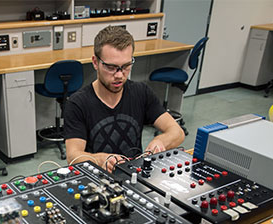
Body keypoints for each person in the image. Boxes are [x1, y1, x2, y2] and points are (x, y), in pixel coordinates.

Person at [63, 26, 185, 172]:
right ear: (95, 62)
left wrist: (160, 141)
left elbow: (177, 132)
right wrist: (101, 159)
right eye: (111, 67)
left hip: (133, 175)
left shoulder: (141, 92)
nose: (120, 75)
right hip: (96, 179)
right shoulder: (78, 103)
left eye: (126, 66)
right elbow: (73, 156)